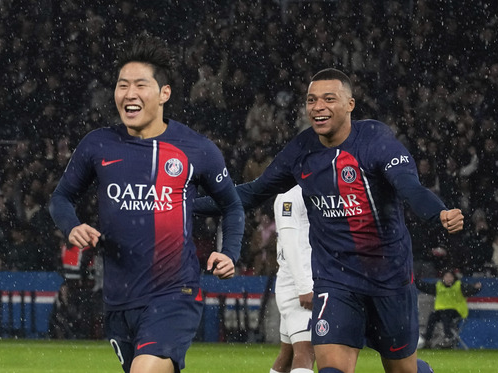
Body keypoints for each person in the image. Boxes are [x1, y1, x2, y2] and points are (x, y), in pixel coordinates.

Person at [194, 68, 463, 373]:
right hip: (336, 281)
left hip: (389, 279)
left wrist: (437, 212)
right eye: (311, 100)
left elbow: (408, 185)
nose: (317, 106)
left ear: (350, 104)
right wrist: (188, 205)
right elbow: (253, 192)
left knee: (404, 370)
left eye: (328, 99)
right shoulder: (301, 149)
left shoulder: (375, 141)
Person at [49, 34, 244, 373]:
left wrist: (230, 253)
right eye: (122, 85)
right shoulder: (98, 145)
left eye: (140, 84)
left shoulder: (195, 149)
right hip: (119, 299)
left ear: (164, 93)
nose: (129, 93)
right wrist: (73, 226)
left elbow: (232, 205)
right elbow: (61, 198)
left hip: (174, 293)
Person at [270, 185, 315, 373]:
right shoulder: (290, 195)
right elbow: (289, 243)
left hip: (292, 282)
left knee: (286, 357)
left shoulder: (302, 192)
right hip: (300, 285)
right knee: (306, 352)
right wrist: (304, 287)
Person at [416, 269, 482, 349]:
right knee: (432, 316)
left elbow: (470, 289)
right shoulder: (438, 286)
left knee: (446, 314)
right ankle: (428, 338)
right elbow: (425, 287)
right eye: (446, 276)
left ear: (454, 278)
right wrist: (415, 281)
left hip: (457, 311)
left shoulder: (459, 285)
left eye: (450, 276)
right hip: (441, 311)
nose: (448, 279)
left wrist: (476, 288)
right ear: (443, 278)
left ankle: (448, 337)